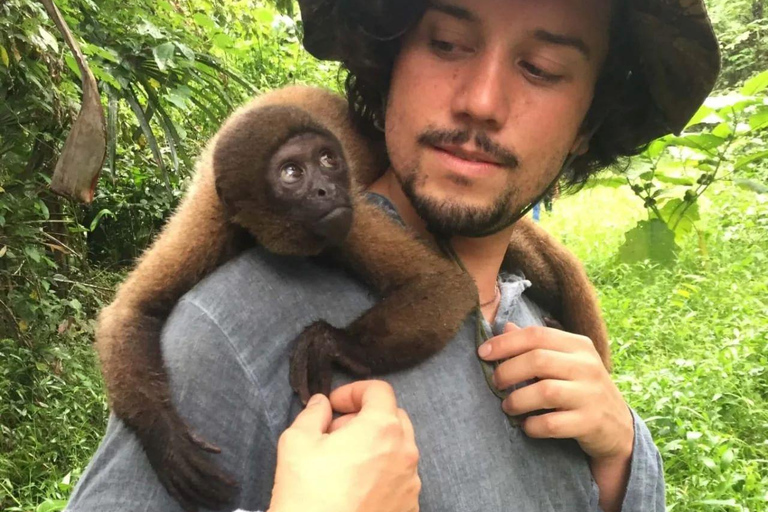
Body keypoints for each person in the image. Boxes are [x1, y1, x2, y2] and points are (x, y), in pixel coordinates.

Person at [65, 0, 720, 511]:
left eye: (541, 68)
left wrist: (621, 460)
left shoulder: (543, 320)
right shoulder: (230, 332)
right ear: (390, 64)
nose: (481, 102)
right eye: (446, 44)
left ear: (587, 129)